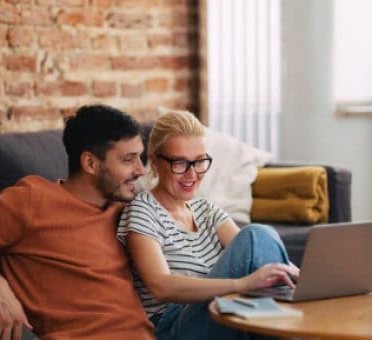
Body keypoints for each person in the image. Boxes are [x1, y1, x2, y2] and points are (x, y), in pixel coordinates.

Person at [0, 105, 155, 340]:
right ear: (90, 163)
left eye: (140, 157)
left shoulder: (128, 212)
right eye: (128, 160)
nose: (141, 170)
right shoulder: (32, 199)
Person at [117, 110, 299, 340]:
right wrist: (241, 284)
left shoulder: (207, 210)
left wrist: (300, 275)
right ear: (154, 161)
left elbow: (257, 254)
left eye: (200, 161)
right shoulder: (142, 210)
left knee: (260, 240)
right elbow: (160, 286)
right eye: (180, 163)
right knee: (256, 234)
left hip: (222, 315)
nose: (192, 174)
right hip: (173, 327)